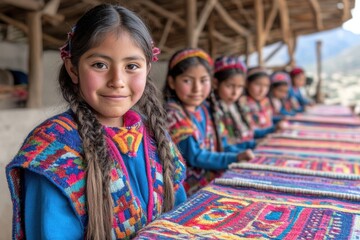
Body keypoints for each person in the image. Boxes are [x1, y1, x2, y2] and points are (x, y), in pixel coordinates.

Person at [6, 4, 186, 240]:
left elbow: (181, 217)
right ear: (73, 69)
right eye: (99, 65)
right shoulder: (52, 150)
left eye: (132, 66)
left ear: (147, 69)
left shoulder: (154, 134)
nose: (117, 81)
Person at [163, 48, 254, 196]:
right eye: (187, 80)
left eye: (203, 80)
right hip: (190, 193)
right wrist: (235, 157)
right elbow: (196, 157)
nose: (196, 89)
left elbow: (223, 145)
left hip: (212, 182)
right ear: (172, 82)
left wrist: (250, 147)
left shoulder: (207, 110)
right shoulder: (173, 115)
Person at [212, 56, 256, 148]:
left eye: (240, 87)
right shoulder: (213, 109)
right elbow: (225, 146)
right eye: (229, 86)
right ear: (215, 83)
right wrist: (253, 144)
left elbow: (249, 132)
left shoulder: (237, 106)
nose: (235, 93)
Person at [240, 67, 285, 139]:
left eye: (266, 86)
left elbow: (266, 120)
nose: (262, 90)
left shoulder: (265, 101)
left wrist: (281, 119)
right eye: (258, 84)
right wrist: (272, 129)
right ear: (247, 84)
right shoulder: (242, 103)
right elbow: (251, 132)